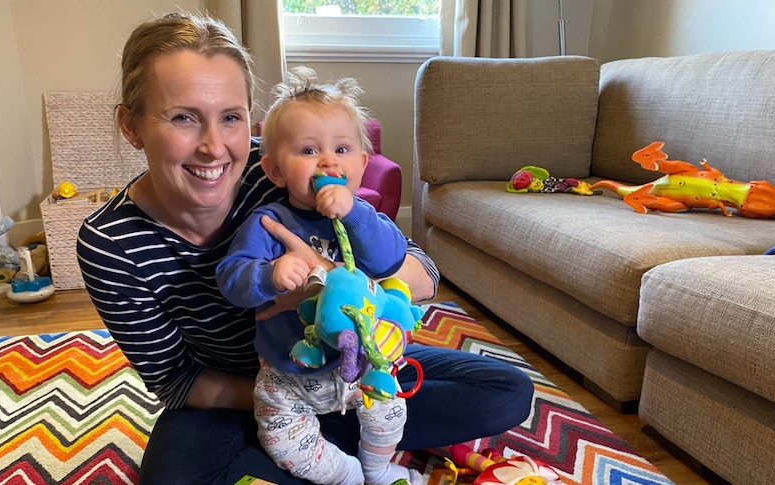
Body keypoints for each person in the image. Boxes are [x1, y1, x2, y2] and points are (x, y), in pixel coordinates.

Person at [76, 11, 534, 485]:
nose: (214, 148)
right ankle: (334, 453)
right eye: (183, 118)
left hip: (353, 367)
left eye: (230, 118)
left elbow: (421, 275)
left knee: (504, 391)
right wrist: (290, 399)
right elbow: (178, 381)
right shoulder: (110, 244)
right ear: (131, 127)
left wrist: (337, 279)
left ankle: (318, 455)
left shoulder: (280, 165)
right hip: (252, 392)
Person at [216, 67, 420, 485]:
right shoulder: (270, 221)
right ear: (274, 170)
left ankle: (378, 468)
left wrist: (355, 211)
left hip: (363, 364)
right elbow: (231, 278)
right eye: (309, 151)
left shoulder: (367, 218)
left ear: (363, 164)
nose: (328, 160)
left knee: (392, 410)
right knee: (280, 439)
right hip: (289, 375)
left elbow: (390, 260)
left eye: (342, 149)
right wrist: (270, 275)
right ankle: (347, 475)